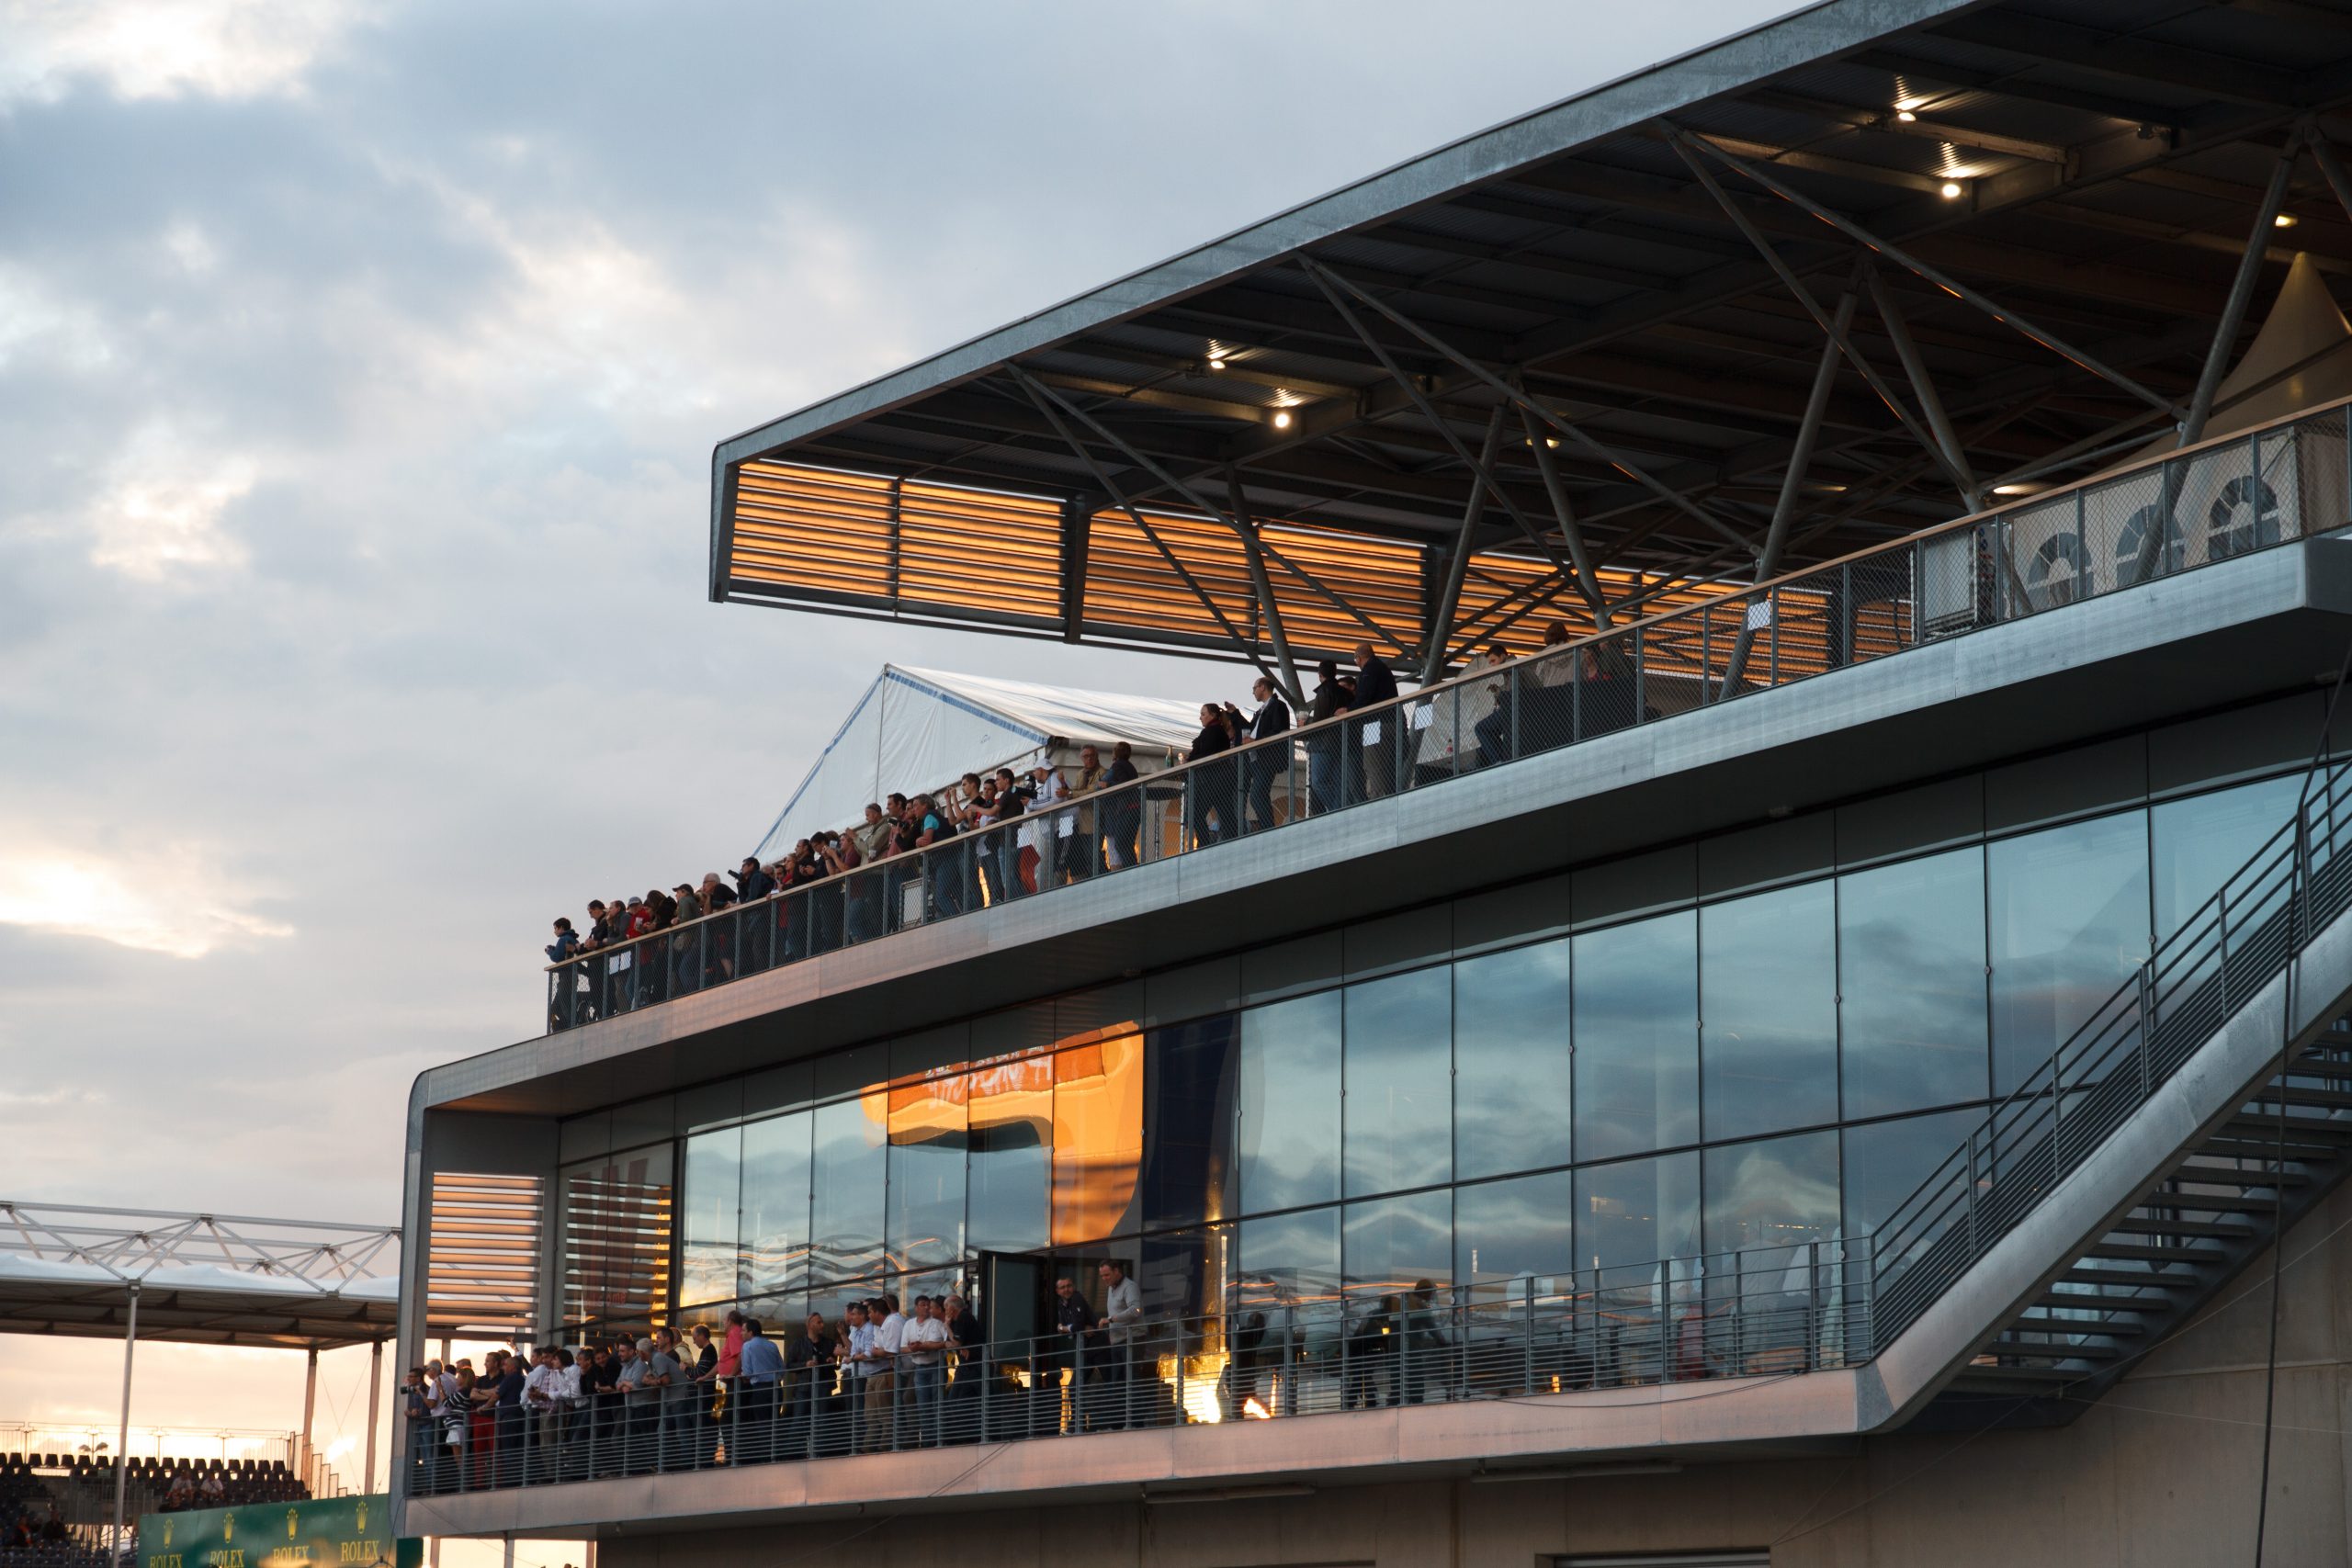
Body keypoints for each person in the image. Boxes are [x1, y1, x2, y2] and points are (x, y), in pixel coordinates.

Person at [1043, 1276, 1094, 1437]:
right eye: (1063, 1287)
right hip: (1084, 1348)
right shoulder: (1062, 1303)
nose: (1066, 1289)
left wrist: (1065, 1328)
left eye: (1069, 1286)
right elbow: (1066, 1326)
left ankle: (1081, 1424)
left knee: (1080, 1386)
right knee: (1075, 1386)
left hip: (1095, 1347)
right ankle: (1077, 1424)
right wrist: (1067, 1328)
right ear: (1058, 1291)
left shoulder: (1077, 1298)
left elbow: (1076, 1326)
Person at [1096, 1259, 1144, 1430]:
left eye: (1107, 1274)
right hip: (1117, 1341)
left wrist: (1110, 1320)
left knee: (1131, 1380)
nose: (1105, 1279)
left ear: (1117, 1271)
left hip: (1131, 1340)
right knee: (1117, 1382)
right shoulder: (1111, 1289)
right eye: (1102, 1276)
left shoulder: (1129, 1286)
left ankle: (1135, 1423)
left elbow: (1136, 1310)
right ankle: (1117, 1423)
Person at [1241, 676, 1292, 831]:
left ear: (1262, 687)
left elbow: (1277, 731)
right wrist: (1235, 715)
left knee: (1257, 795)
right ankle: (1266, 827)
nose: (1253, 692)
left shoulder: (1278, 706)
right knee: (1252, 793)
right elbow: (1250, 728)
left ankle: (1268, 828)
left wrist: (1256, 742)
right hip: (1255, 758)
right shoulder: (1261, 710)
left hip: (1267, 758)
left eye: (1254, 688)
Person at [1351, 642, 1401, 799]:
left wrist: (1349, 710)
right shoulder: (1382, 667)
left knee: (1372, 765)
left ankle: (1377, 798)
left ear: (1359, 658)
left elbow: (1364, 697)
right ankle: (1385, 796)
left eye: (1356, 660)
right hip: (1391, 721)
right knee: (1385, 766)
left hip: (1375, 725)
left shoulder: (1370, 670)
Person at [1305, 659, 1353, 814]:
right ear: (1335, 672)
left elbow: (1320, 720)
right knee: (1339, 782)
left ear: (1320, 674)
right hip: (1343, 742)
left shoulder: (1324, 691)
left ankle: (1336, 810)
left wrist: (1305, 726)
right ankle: (1342, 810)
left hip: (1323, 744)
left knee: (1318, 782)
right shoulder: (1346, 693)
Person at [902, 1295, 951, 1445]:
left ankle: (939, 1439)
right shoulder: (909, 1324)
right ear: (916, 1307)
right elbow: (902, 1348)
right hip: (919, 1368)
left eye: (927, 1305)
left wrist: (921, 1346)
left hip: (936, 1366)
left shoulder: (937, 1323)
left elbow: (944, 1344)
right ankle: (928, 1441)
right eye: (922, 1305)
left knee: (937, 1404)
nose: (926, 1308)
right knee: (923, 1407)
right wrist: (915, 1349)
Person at [1185, 702, 1235, 847]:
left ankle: (1204, 843)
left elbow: (1206, 754)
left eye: (1203, 714)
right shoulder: (1217, 731)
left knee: (1196, 813)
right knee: (1226, 813)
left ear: (1212, 715)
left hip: (1212, 780)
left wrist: (1191, 760)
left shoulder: (1212, 731)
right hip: (1219, 780)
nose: (1200, 718)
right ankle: (1230, 839)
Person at [735, 1317, 784, 1462]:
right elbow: (782, 1369)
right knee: (775, 1421)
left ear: (751, 1332)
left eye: (743, 1331)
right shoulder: (772, 1345)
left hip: (760, 1389)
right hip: (775, 1387)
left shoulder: (747, 1346)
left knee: (762, 1424)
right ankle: (776, 1454)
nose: (741, 1334)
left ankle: (765, 1457)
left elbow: (748, 1372)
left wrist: (742, 1376)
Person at [1101, 742, 1141, 869]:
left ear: (1116, 752)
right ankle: (1132, 867)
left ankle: (1131, 869)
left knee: (1121, 844)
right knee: (1127, 843)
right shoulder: (1130, 766)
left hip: (1127, 807)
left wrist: (1108, 786)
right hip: (1134, 806)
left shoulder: (1117, 765)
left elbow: (1124, 783)